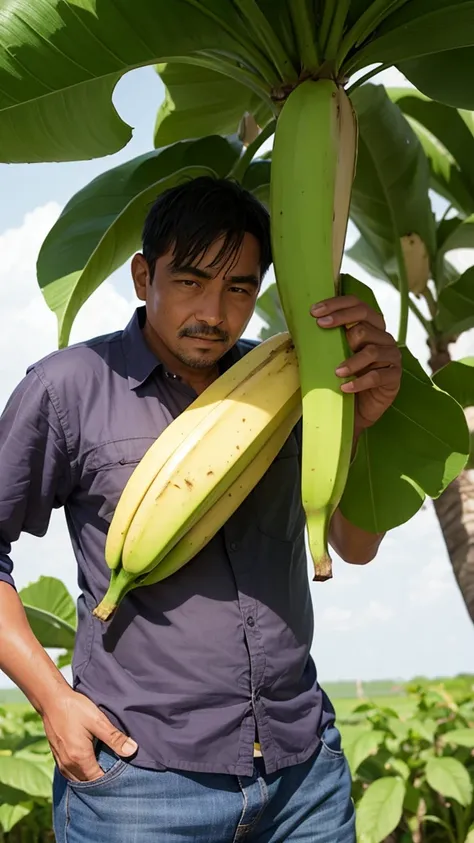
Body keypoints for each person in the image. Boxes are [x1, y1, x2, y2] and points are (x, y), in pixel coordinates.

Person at [0, 177, 401, 842]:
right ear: (142, 275)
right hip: (140, 781)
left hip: (302, 774)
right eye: (189, 281)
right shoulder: (67, 387)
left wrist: (364, 426)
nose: (213, 311)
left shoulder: (291, 388)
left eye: (240, 288)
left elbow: (355, 544)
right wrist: (53, 700)